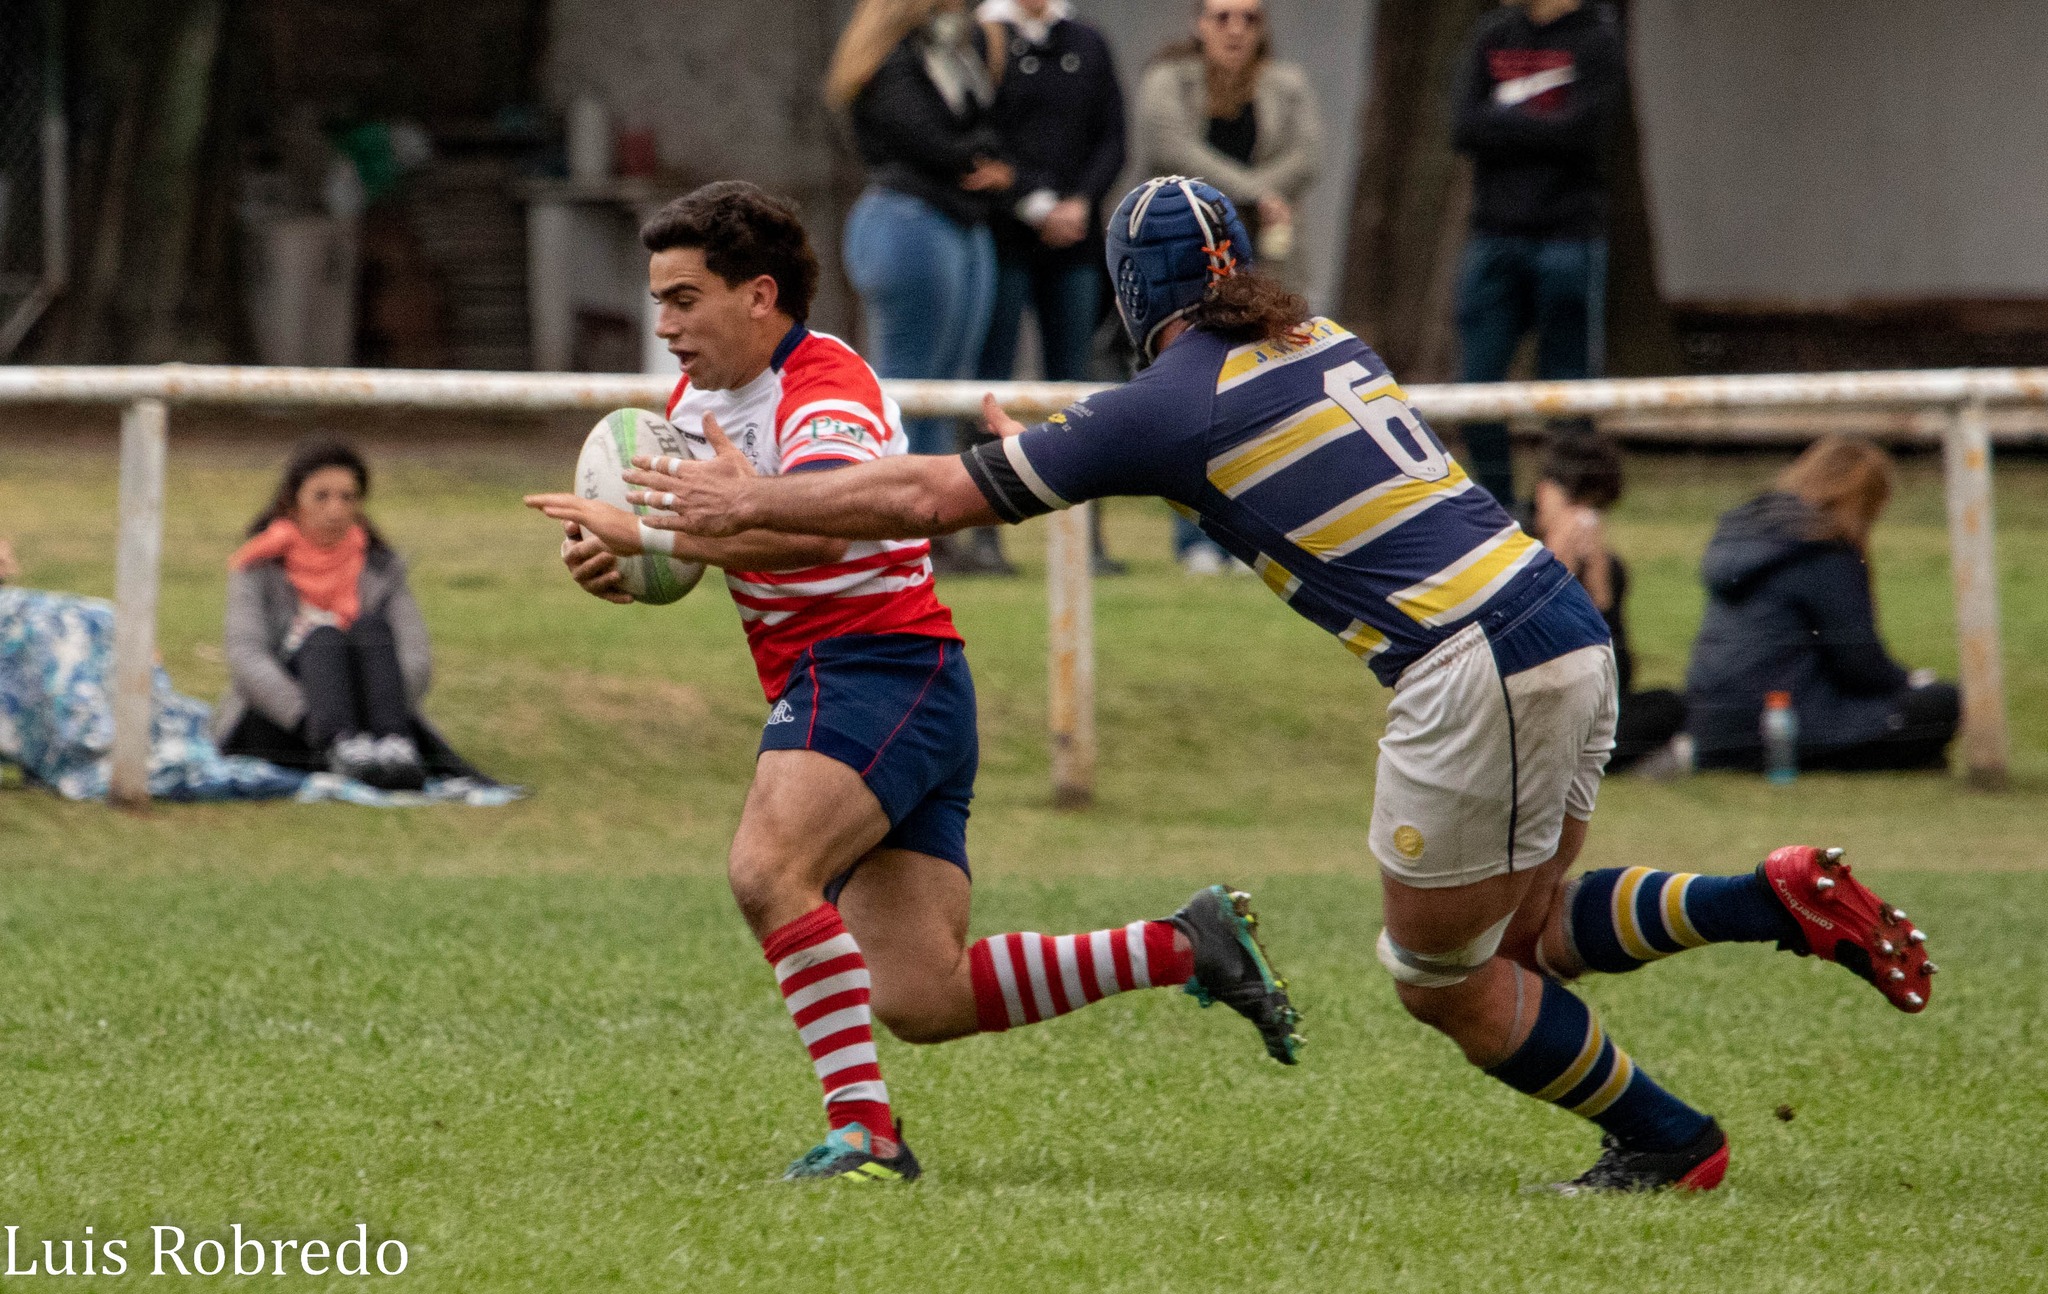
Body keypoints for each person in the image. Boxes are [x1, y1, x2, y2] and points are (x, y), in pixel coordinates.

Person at [634, 175, 1940, 1194]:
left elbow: (932, 492)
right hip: (1564, 628)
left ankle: (1671, 1140)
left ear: (1131, 295)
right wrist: (1055, 453)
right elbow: (1185, 442)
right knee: (1533, 929)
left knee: (1444, 979)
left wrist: (748, 499)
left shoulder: (1164, 400)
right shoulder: (1321, 336)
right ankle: (1762, 900)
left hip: (1464, 665)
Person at [524, 180, 1300, 1185]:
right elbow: (719, 543)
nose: (662, 323)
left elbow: (825, 520)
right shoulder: (692, 405)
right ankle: (1185, 944)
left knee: (766, 870)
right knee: (921, 994)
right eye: (658, 299)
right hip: (859, 682)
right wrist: (627, 568)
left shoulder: (826, 389)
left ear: (758, 295)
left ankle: (865, 1136)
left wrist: (668, 533)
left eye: (682, 299)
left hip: (879, 668)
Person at [1135, 0, 1323, 574]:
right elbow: (1172, 150)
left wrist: (1261, 197)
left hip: (1266, 259)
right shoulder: (1168, 81)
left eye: (1249, 18)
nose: (1236, 29)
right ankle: (1194, 540)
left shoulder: (1286, 84)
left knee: (1267, 394)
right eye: (1222, 17)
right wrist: (1250, 191)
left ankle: (1256, 539)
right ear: (1199, 24)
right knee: (1189, 397)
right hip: (1186, 264)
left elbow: (1310, 154)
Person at [1685, 435, 1959, 773]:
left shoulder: (1744, 535)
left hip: (1711, 729)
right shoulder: (1824, 550)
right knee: (1941, 703)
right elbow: (1859, 666)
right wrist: (1910, 682)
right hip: (1783, 728)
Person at [216, 441, 479, 791]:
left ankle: (392, 748)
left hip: (372, 719)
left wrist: (372, 708)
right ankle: (341, 747)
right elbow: (246, 658)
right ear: (293, 502)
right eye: (321, 497)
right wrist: (315, 715)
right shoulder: (257, 567)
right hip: (285, 721)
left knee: (369, 629)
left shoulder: (382, 568)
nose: (336, 510)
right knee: (324, 638)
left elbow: (415, 657)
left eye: (348, 497)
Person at [1450, 0, 1626, 508]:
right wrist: (1541, 130)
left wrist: (1503, 123)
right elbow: (1465, 127)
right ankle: (1500, 510)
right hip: (1494, 236)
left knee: (1571, 390)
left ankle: (1563, 510)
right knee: (1476, 386)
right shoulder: (1493, 35)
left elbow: (1584, 134)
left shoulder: (1597, 40)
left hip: (1570, 237)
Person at [974, 0, 1128, 575]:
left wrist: (1080, 202)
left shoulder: (1087, 42)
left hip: (1077, 243)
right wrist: (1036, 202)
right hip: (1004, 239)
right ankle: (983, 532)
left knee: (1080, 389)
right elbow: (981, 140)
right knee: (990, 385)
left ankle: (1087, 539)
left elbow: (1112, 138)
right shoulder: (984, 37)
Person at [1527, 433, 1685, 774]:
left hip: (1584, 715)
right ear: (1546, 492)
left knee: (1670, 704)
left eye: (1594, 509)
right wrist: (1557, 569)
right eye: (1575, 505)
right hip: (1529, 705)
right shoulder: (1514, 546)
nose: (1583, 520)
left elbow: (1617, 683)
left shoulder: (1606, 567)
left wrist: (1601, 596)